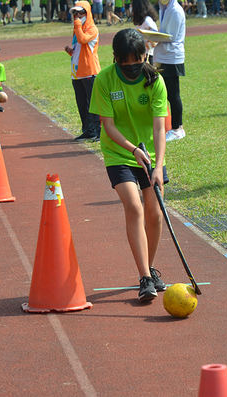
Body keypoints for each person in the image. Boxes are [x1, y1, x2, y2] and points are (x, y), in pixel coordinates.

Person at [89, 29, 169, 301]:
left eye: (138, 59)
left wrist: (159, 166)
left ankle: (151, 267)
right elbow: (108, 126)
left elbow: (160, 128)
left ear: (145, 55)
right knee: (134, 207)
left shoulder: (155, 80)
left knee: (155, 214)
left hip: (150, 155)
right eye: (127, 62)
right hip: (119, 152)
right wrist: (132, 149)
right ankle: (145, 277)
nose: (133, 66)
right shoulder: (104, 79)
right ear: (116, 58)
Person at [64, 2, 101, 142]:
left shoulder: (92, 29)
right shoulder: (77, 29)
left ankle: (98, 132)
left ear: (88, 12)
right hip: (77, 72)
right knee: (81, 103)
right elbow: (79, 48)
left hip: (90, 72)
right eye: (75, 13)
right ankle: (88, 131)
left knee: (93, 103)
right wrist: (71, 52)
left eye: (81, 12)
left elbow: (83, 39)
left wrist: (77, 25)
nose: (78, 16)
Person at [152, 0, 185, 142]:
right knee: (168, 93)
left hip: (171, 57)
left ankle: (177, 128)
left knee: (173, 94)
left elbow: (170, 36)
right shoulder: (165, 8)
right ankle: (179, 127)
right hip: (165, 55)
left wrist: (152, 36)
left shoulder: (175, 10)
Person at [132, 0, 158, 65]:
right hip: (141, 55)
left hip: (148, 57)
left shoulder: (147, 21)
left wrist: (137, 43)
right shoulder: (141, 22)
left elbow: (154, 43)